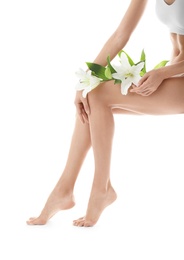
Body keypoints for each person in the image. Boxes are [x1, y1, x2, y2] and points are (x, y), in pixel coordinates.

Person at [27, 0, 184, 227]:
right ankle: (65, 189)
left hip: (177, 78)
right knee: (92, 95)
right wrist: (86, 80)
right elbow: (121, 34)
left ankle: (100, 188)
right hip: (173, 77)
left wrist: (163, 73)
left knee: (98, 95)